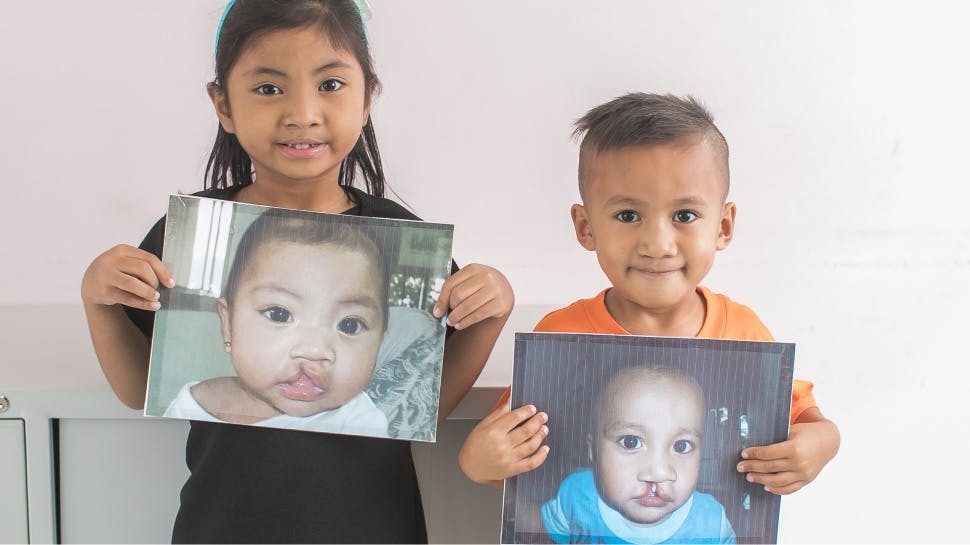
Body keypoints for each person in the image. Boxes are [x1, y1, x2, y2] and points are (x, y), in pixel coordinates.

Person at [80, 1, 513, 542]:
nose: (303, 112)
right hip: (222, 529)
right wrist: (98, 301)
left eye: (330, 85)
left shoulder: (398, 235)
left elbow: (427, 406)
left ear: (367, 97)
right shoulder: (182, 236)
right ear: (223, 104)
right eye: (268, 88)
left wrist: (491, 316)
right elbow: (141, 387)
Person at [458, 93, 839, 498]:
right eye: (628, 216)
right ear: (586, 227)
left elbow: (811, 424)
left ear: (723, 227)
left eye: (684, 216)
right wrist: (477, 462)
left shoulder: (743, 333)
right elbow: (513, 454)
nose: (657, 244)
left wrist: (820, 446)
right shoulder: (560, 336)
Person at [164, 208, 392, 438]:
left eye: (349, 325)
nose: (314, 350)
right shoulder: (193, 402)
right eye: (279, 314)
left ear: (381, 339)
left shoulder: (360, 420)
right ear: (227, 323)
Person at [541, 366, 735, 544]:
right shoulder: (575, 497)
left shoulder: (711, 523)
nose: (658, 473)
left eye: (682, 446)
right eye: (630, 442)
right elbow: (537, 529)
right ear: (593, 450)